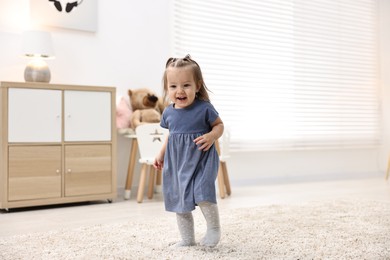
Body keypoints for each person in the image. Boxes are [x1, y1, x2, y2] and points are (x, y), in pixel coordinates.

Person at [154, 55, 224, 247]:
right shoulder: (168, 112)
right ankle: (187, 239)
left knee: (202, 193)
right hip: (178, 162)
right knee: (180, 200)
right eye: (173, 86)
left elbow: (219, 126)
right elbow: (172, 135)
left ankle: (214, 228)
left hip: (202, 159)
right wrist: (161, 154)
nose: (180, 91)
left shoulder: (204, 108)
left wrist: (211, 136)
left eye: (186, 85)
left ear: (197, 86)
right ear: (167, 88)